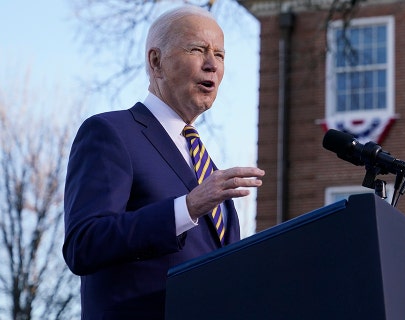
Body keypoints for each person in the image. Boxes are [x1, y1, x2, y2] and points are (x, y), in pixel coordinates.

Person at [62, 5, 265, 319]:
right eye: (198, 49)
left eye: (220, 55)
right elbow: (84, 244)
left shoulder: (208, 169)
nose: (212, 64)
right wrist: (187, 207)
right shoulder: (111, 133)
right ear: (156, 61)